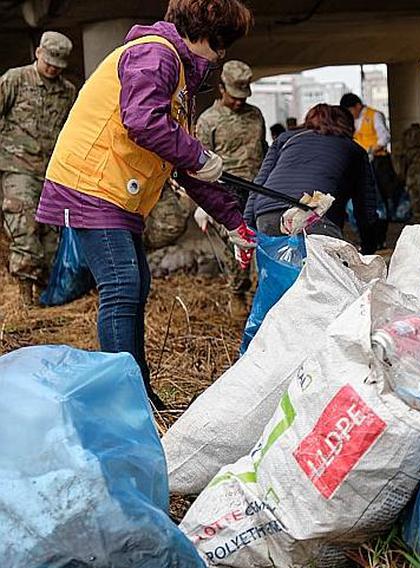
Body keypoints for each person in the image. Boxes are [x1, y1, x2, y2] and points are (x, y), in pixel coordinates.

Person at [37, 0, 256, 409]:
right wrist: (197, 155)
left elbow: (185, 162)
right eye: (222, 42)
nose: (223, 53)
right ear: (204, 30)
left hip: (119, 192)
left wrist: (234, 221)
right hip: (92, 185)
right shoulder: (155, 53)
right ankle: (126, 401)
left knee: (136, 285)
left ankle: (138, 391)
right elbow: (143, 122)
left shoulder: (179, 74)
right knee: (122, 285)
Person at [0, 31, 76, 305]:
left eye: (59, 63)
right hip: (17, 166)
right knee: (24, 226)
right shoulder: (15, 79)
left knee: (50, 231)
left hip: (52, 171)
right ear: (38, 53)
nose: (53, 67)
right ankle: (24, 297)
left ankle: (48, 295)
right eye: (49, 61)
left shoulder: (67, 91)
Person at [244, 103, 381, 253]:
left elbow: (258, 184)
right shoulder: (354, 149)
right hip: (315, 216)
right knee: (325, 274)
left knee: (278, 272)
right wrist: (369, 247)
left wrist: (246, 227)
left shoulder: (285, 139)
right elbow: (365, 206)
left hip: (268, 215)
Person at [195, 59, 266, 296]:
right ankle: (238, 292)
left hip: (257, 189)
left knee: (262, 244)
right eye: (234, 96)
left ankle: (262, 295)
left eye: (243, 97)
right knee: (235, 246)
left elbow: (262, 150)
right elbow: (200, 163)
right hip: (226, 192)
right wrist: (203, 203)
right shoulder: (208, 121)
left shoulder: (255, 115)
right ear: (221, 88)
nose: (238, 102)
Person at [340, 93, 397, 212]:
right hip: (361, 160)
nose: (350, 114)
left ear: (358, 105)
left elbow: (385, 137)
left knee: (383, 189)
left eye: (350, 110)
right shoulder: (352, 121)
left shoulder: (374, 115)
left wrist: (372, 150)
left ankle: (387, 214)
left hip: (378, 160)